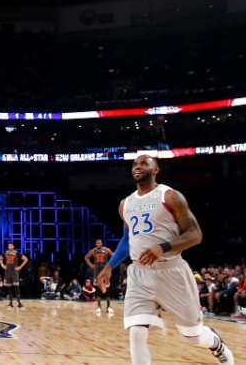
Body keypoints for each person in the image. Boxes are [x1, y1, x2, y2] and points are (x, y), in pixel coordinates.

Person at [96, 155, 234, 365]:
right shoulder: (125, 204)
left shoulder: (170, 196)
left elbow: (195, 235)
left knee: (193, 335)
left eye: (144, 163)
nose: (138, 167)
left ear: (156, 169)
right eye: (135, 164)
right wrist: (109, 266)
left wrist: (163, 247)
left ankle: (216, 344)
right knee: (136, 332)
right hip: (140, 274)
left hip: (172, 271)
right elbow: (126, 240)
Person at [85, 239, 114, 315]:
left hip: (105, 271)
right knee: (98, 289)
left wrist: (110, 265)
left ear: (102, 243)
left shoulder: (106, 250)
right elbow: (86, 257)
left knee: (106, 288)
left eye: (99, 242)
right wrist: (91, 265)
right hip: (97, 272)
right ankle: (99, 307)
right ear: (95, 244)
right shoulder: (93, 251)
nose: (98, 244)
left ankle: (108, 307)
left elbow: (114, 256)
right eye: (97, 242)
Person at [0, 242, 28, 308]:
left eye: (11, 245)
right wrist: (2, 265)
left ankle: (19, 303)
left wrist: (20, 267)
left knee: (16, 287)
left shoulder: (16, 253)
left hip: (14, 272)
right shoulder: (5, 253)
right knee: (9, 287)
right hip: (7, 271)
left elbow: (25, 259)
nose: (10, 246)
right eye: (9, 245)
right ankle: (10, 303)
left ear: (13, 246)